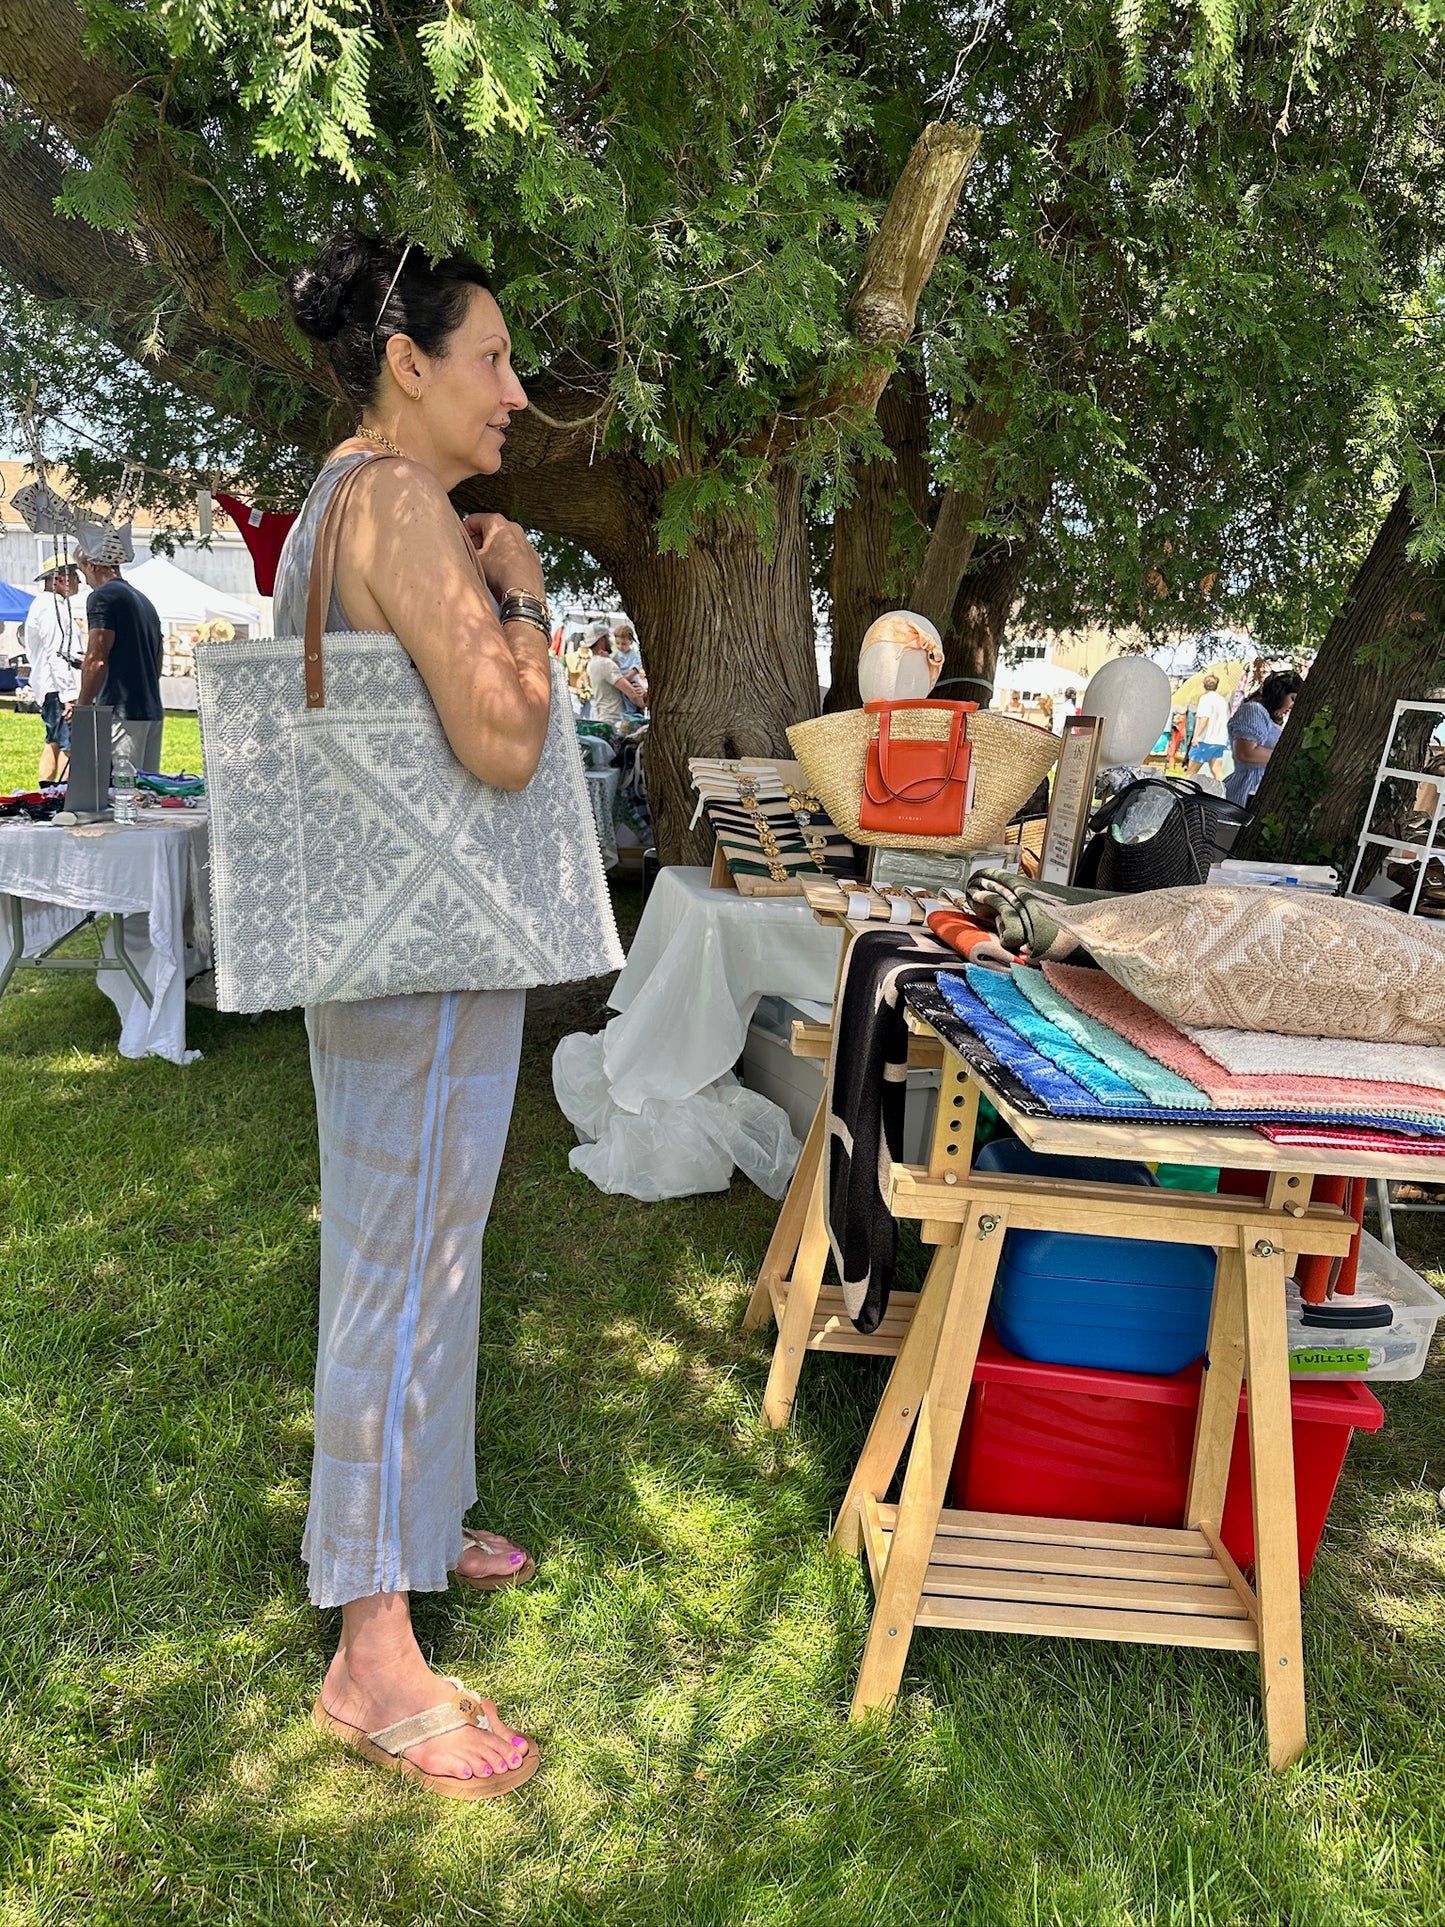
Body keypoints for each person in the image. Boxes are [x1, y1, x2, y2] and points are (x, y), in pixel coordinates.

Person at [276, 229, 558, 1801]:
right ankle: (370, 1650)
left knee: (423, 1241)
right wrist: (520, 590)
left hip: (385, 939)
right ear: (410, 362)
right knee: (397, 1259)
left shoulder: (343, 496)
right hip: (420, 956)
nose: (514, 393)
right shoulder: (398, 501)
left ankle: (418, 1510)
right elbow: (506, 741)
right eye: (492, 361)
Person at [76, 552, 165, 773]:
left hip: (122, 713)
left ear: (93, 565)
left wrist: (82, 708)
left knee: (121, 795)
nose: (85, 580)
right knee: (146, 793)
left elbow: (97, 660)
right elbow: (158, 657)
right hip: (151, 709)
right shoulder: (145, 601)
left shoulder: (102, 597)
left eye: (82, 571)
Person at [21, 556, 85, 782]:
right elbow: (57, 653)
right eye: (75, 577)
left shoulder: (51, 605)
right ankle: (63, 797)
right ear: (59, 579)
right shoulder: (50, 608)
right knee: (70, 747)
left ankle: (47, 794)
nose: (79, 581)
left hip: (52, 686)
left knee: (55, 741)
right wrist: (70, 696)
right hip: (58, 686)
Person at [1224, 669, 1304, 807]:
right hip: (1248, 790)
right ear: (1279, 693)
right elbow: (1246, 753)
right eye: (1292, 698)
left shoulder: (1269, 718)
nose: (1292, 706)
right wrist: (1289, 755)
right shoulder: (1254, 710)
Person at [587, 629, 646, 726]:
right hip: (616, 720)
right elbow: (632, 694)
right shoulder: (606, 663)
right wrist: (645, 704)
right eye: (608, 638)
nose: (611, 642)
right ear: (602, 639)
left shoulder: (592, 663)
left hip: (605, 716)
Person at [1186, 673, 1231, 779]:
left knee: (1191, 773)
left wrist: (1196, 736)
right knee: (1217, 771)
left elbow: (1204, 718)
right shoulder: (1223, 701)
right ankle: (1222, 794)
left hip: (1205, 740)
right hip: (1220, 740)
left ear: (1203, 684)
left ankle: (1182, 792)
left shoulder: (1205, 699)